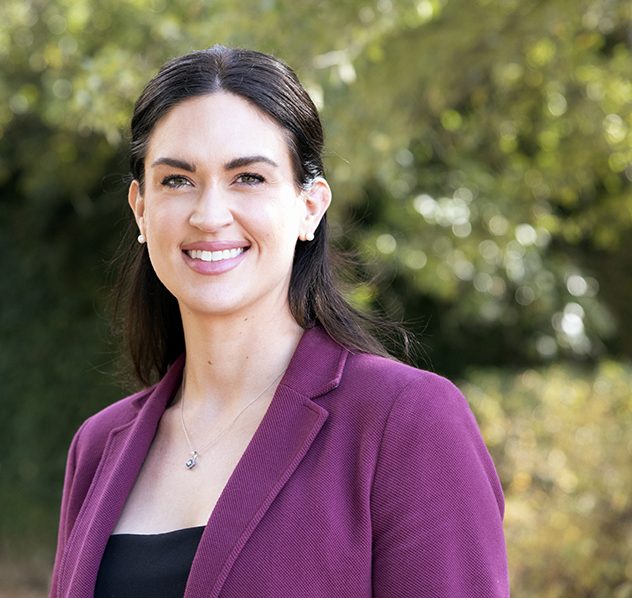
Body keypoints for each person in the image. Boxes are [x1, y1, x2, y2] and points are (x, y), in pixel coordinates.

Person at [50, 46, 509, 597]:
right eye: (177, 180)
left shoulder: (405, 422)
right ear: (141, 208)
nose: (209, 215)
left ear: (309, 206)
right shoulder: (98, 447)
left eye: (248, 177)